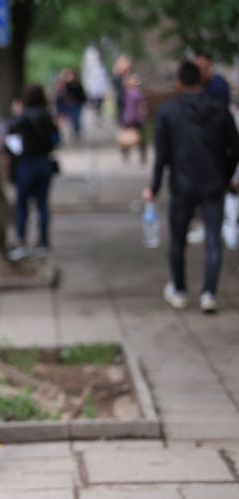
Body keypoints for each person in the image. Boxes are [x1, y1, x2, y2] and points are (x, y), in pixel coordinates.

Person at [143, 61, 239, 313]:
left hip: (182, 185)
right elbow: (235, 149)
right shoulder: (220, 110)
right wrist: (226, 176)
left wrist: (152, 188)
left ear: (179, 83)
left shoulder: (169, 112)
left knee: (177, 239)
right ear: (201, 80)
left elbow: (161, 156)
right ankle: (209, 293)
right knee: (213, 240)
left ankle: (180, 289)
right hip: (213, 184)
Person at [6, 84, 60, 261]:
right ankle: (42, 242)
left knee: (22, 205)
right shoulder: (48, 115)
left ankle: (21, 241)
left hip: (27, 164)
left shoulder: (24, 116)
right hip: (44, 163)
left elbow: (10, 129)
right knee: (42, 205)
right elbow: (56, 139)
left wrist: (17, 113)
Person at [120, 73, 148, 163]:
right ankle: (126, 155)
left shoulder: (138, 93)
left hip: (136, 118)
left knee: (140, 138)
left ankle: (141, 156)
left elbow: (142, 105)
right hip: (129, 117)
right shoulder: (127, 92)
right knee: (126, 138)